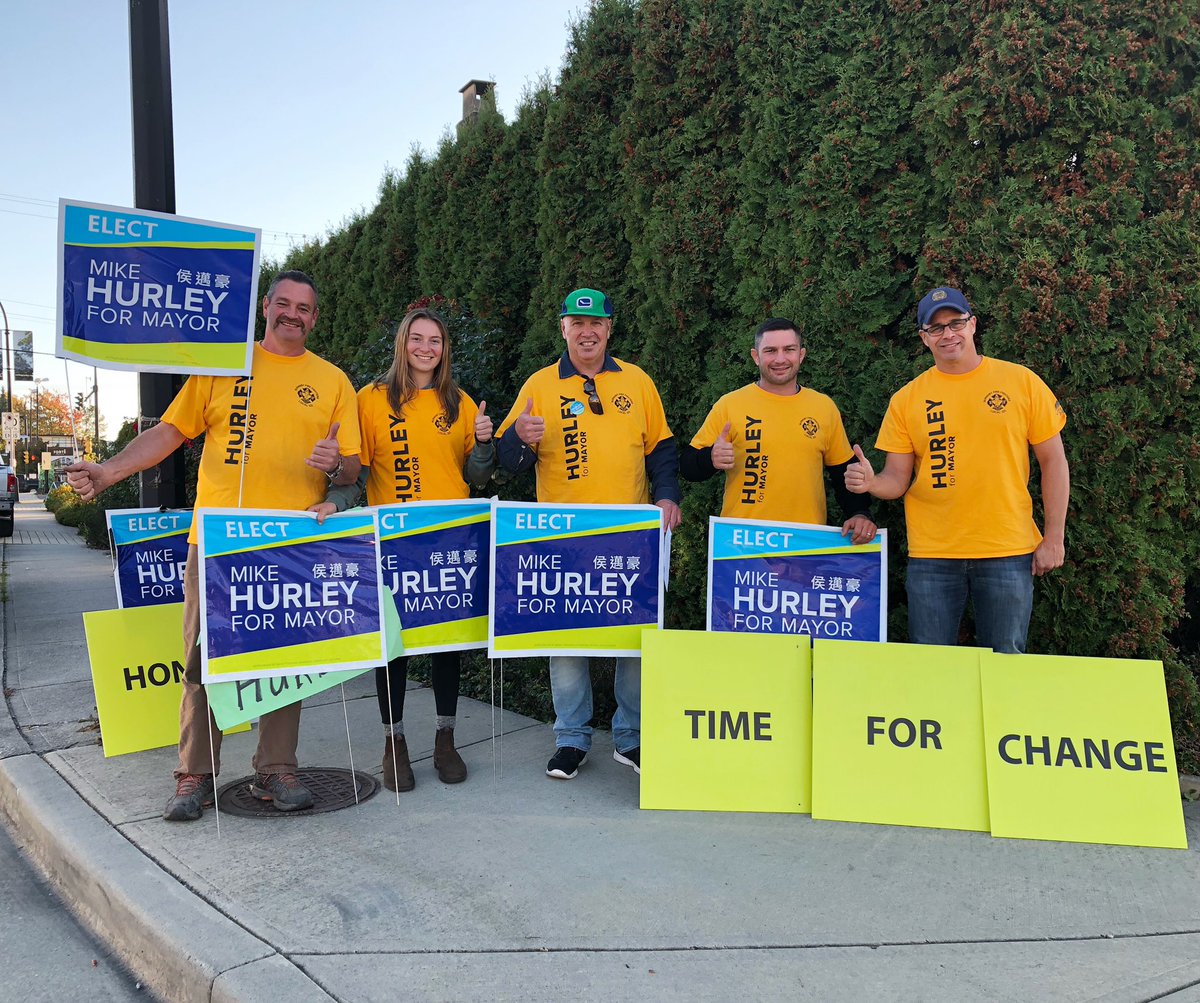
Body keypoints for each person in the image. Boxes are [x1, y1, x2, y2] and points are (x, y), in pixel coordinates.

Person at [66, 270, 362, 820]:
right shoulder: (224, 365)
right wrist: (109, 471)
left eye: (304, 308)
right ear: (266, 307)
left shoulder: (333, 381)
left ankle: (276, 768)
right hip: (218, 540)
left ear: (315, 318)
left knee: (284, 659)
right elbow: (170, 432)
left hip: (290, 543)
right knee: (202, 659)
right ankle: (195, 774)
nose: (293, 314)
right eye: (284, 303)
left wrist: (335, 466)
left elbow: (351, 468)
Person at [496, 287, 681, 780]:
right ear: (563, 328)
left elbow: (661, 449)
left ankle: (630, 737)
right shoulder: (539, 385)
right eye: (577, 323)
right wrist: (519, 439)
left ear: (609, 329)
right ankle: (571, 738)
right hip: (564, 538)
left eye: (596, 322)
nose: (587, 332)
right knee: (566, 640)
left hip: (630, 535)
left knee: (636, 638)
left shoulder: (637, 381)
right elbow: (508, 462)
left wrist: (668, 496)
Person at [845, 286, 1069, 653]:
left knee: (1005, 664)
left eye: (956, 323)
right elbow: (896, 480)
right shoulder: (907, 399)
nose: (948, 334)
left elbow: (1054, 461)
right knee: (932, 667)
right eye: (936, 328)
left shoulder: (1021, 382)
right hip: (933, 555)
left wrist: (1054, 537)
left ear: (973, 325)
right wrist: (871, 483)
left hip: (1006, 548)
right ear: (924, 338)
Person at [355, 307, 495, 791]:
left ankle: (445, 740)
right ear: (402, 342)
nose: (426, 348)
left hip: (448, 539)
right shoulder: (371, 399)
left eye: (435, 340)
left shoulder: (460, 402)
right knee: (393, 647)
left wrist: (484, 444)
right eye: (417, 338)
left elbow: (477, 476)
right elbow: (357, 468)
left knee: (445, 643)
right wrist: (335, 496)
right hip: (393, 539)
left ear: (444, 348)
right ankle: (393, 743)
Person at [681, 317, 876, 544]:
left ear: (801, 355)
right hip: (743, 543)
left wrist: (860, 513)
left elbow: (843, 472)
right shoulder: (730, 405)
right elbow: (687, 466)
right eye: (771, 351)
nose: (780, 359)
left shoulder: (823, 407)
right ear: (756, 356)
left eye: (789, 350)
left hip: (803, 542)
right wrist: (710, 458)